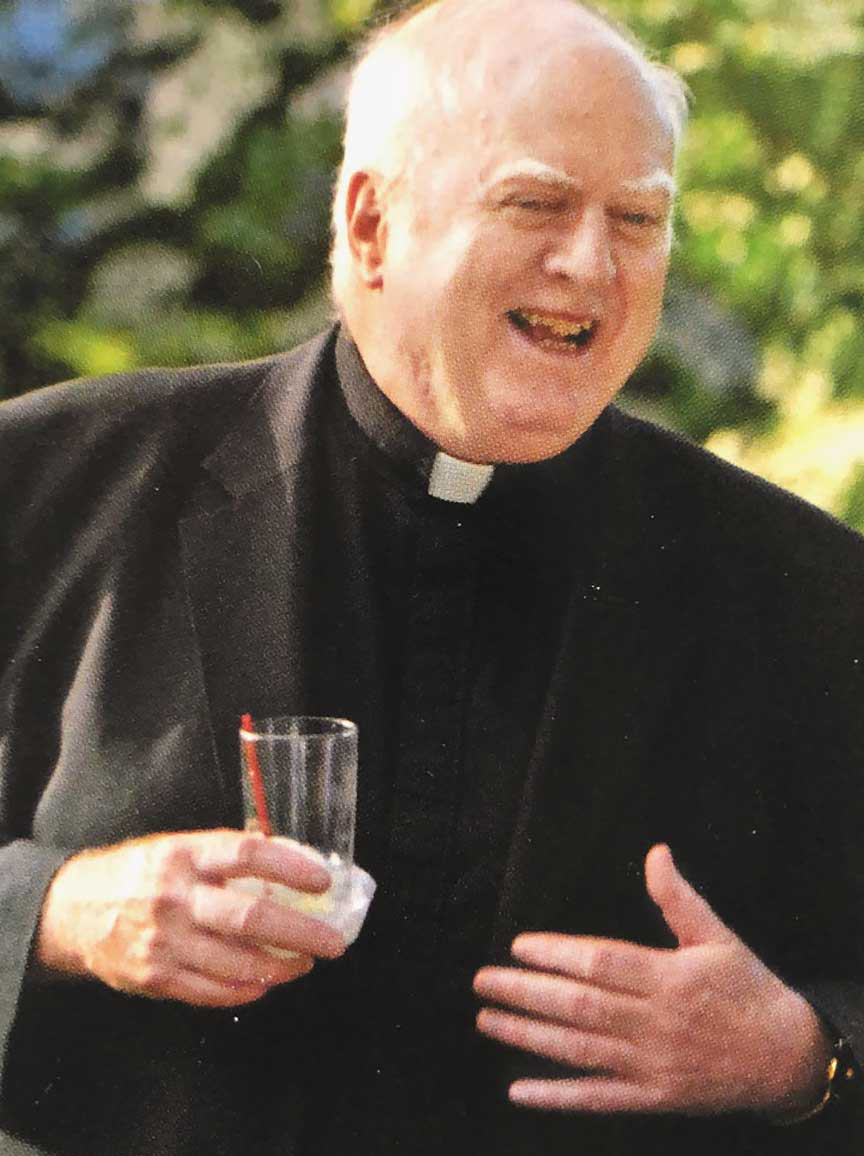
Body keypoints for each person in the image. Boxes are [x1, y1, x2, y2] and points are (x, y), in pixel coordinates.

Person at [0, 1, 862, 1153]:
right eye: (535, 204)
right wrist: (56, 912)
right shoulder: (44, 487)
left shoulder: (811, 588)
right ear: (371, 224)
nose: (591, 265)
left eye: (638, 218)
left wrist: (801, 1053)